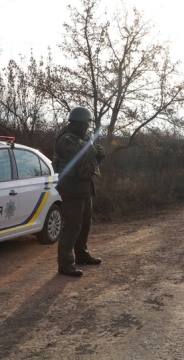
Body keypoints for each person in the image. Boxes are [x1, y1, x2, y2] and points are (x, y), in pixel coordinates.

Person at [52, 107, 106, 277]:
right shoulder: (66, 139)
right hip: (71, 188)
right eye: (85, 124)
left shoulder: (82, 138)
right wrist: (94, 150)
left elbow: (89, 159)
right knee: (72, 226)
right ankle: (65, 264)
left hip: (84, 187)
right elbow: (79, 157)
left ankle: (82, 255)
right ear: (77, 123)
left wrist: (99, 155)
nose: (86, 127)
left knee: (85, 224)